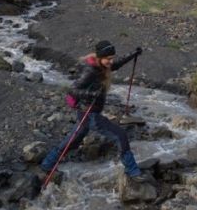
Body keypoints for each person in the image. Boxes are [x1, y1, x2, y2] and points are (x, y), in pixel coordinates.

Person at [40, 40, 148, 182]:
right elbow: (73, 90)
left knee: (73, 140)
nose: (111, 61)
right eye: (108, 58)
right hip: (90, 114)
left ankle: (47, 163)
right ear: (100, 57)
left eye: (112, 58)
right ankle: (133, 171)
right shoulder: (90, 71)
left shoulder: (102, 66)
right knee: (120, 136)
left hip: (85, 113)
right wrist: (91, 95)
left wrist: (132, 54)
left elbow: (115, 65)